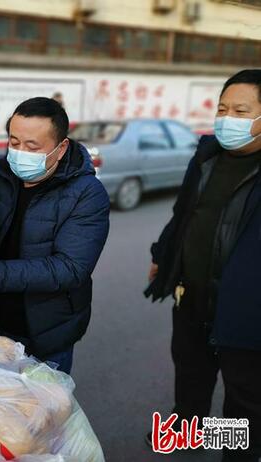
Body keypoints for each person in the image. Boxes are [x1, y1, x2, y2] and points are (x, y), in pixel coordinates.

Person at [145, 69, 261, 461]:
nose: (228, 118)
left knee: (245, 400)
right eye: (223, 108)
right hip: (191, 296)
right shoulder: (208, 155)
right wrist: (164, 256)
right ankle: (188, 432)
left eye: (242, 111)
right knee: (190, 376)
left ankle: (239, 453)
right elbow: (185, 213)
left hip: (246, 313)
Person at [0, 97, 110, 374]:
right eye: (14, 142)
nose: (20, 152)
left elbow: (71, 267)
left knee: (46, 410)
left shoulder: (87, 194)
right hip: (2, 321)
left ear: (61, 147)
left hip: (50, 330)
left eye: (32, 146)